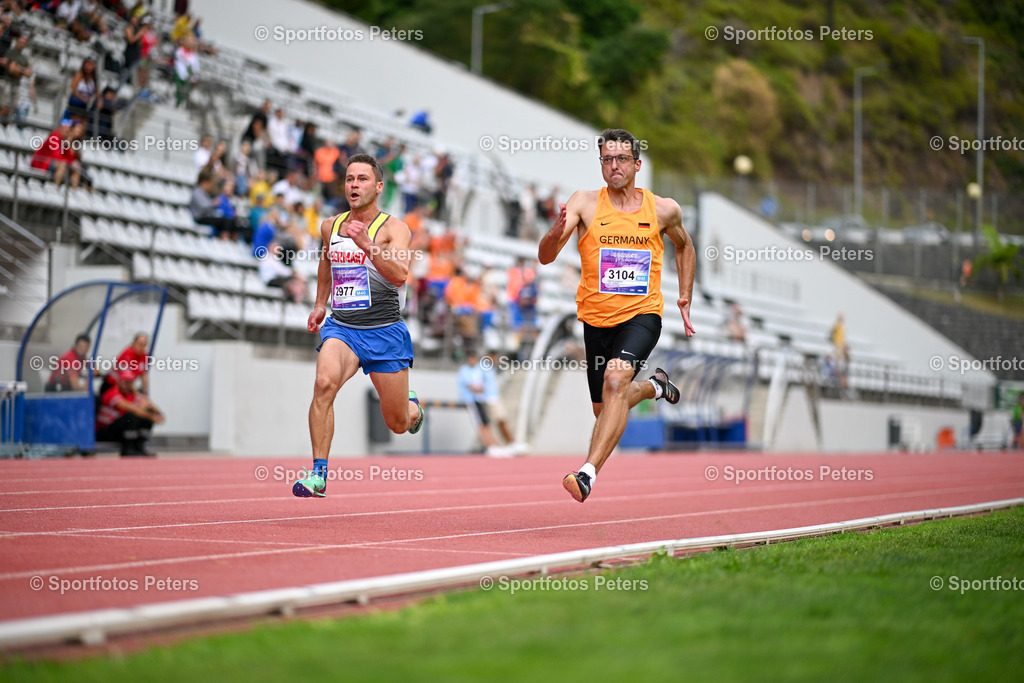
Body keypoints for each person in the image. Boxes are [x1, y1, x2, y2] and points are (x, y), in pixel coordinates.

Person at [538, 128, 696, 503]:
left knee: (615, 381)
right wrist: (556, 230)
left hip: (642, 315)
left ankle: (586, 473)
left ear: (637, 164)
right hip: (596, 320)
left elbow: (685, 247)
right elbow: (545, 256)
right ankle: (656, 387)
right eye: (607, 159)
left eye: (622, 159)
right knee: (606, 406)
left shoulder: (663, 209)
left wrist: (684, 297)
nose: (614, 166)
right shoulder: (585, 203)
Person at [293, 154, 424, 497]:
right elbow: (327, 261)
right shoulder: (331, 226)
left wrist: (366, 244)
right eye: (350, 179)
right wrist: (321, 303)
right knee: (323, 385)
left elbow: (399, 275)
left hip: (385, 332)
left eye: (362, 179)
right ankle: (318, 475)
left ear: (379, 187)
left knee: (397, 423)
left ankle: (413, 408)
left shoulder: (395, 229)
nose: (354, 185)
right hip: (343, 327)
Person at [96, 369, 163, 456]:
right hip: (104, 430)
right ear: (118, 381)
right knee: (133, 416)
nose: (127, 385)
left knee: (146, 416)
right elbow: (133, 409)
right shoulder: (112, 393)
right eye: (125, 382)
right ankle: (128, 448)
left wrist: (158, 414)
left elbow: (149, 406)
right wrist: (153, 417)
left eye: (130, 382)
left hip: (118, 430)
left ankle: (139, 446)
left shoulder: (129, 395)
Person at [457, 348, 510, 457]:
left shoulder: (476, 370)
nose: (472, 360)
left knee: (485, 423)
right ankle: (490, 446)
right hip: (471, 400)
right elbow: (473, 386)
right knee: (481, 424)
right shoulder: (465, 371)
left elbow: (480, 385)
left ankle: (494, 446)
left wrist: (480, 388)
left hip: (479, 399)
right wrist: (479, 388)